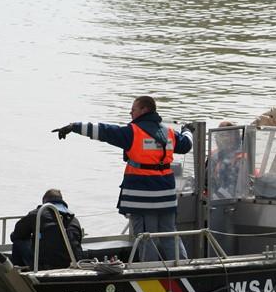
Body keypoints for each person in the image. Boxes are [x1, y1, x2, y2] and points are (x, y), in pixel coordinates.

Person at [52, 96, 193, 262]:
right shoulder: (169, 133)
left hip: (142, 196)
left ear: (144, 110)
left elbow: (104, 131)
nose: (130, 113)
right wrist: (187, 130)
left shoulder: (133, 132)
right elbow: (186, 144)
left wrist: (74, 127)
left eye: (133, 109)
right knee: (170, 234)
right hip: (166, 197)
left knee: (146, 237)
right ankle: (183, 267)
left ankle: (151, 270)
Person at [10, 189, 83, 269]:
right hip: (73, 263)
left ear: (44, 201)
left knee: (18, 242)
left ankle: (19, 272)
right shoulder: (73, 219)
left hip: (47, 265)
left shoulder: (37, 214)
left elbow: (17, 235)